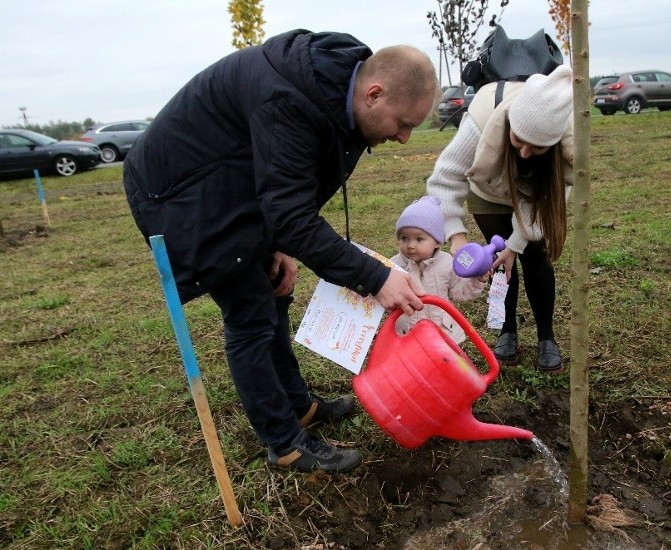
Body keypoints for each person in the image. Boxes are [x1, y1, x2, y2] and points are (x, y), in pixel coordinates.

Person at [123, 30, 438, 473]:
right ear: (374, 94)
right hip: (180, 195)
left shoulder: (332, 91)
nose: (405, 137)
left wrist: (278, 244)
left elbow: (288, 190)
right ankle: (284, 440)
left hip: (233, 183)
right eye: (403, 123)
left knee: (275, 290)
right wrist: (376, 276)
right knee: (250, 309)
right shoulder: (289, 101)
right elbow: (288, 213)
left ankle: (298, 404)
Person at [427, 64, 574, 374]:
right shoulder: (481, 119)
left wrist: (516, 244)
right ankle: (508, 330)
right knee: (496, 261)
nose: (523, 153)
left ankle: (547, 337)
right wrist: (457, 236)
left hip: (535, 195)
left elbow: (550, 202)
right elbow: (444, 178)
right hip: (487, 187)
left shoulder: (569, 142)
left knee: (535, 257)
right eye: (518, 140)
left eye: (537, 148)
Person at [389, 196, 487, 344]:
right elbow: (384, 297)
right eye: (404, 238)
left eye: (419, 239)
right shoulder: (393, 266)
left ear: (436, 241)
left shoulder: (447, 263)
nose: (410, 245)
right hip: (408, 334)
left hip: (443, 332)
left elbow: (461, 292)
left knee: (447, 364)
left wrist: (476, 280)